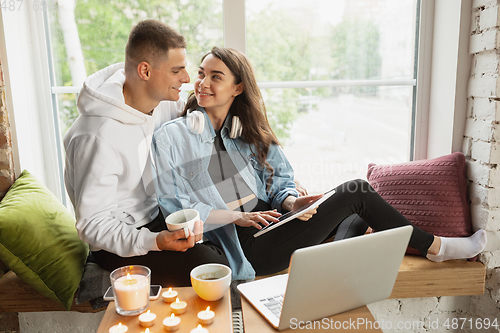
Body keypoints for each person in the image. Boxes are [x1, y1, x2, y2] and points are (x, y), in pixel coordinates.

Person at [151, 46, 487, 281]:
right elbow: (176, 209)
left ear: (238, 87)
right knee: (357, 192)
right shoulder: (173, 137)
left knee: (352, 208)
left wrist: (291, 200)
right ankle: (435, 247)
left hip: (277, 223)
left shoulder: (247, 133)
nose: (202, 84)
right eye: (201, 74)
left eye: (216, 77)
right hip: (246, 245)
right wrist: (237, 216)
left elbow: (279, 180)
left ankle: (330, 261)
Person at [64, 20, 231, 286]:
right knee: (214, 268)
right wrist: (154, 241)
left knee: (231, 237)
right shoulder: (96, 136)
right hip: (118, 242)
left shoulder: (162, 103)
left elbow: (197, 121)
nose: (187, 79)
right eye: (177, 70)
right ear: (145, 71)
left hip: (159, 213)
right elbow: (92, 226)